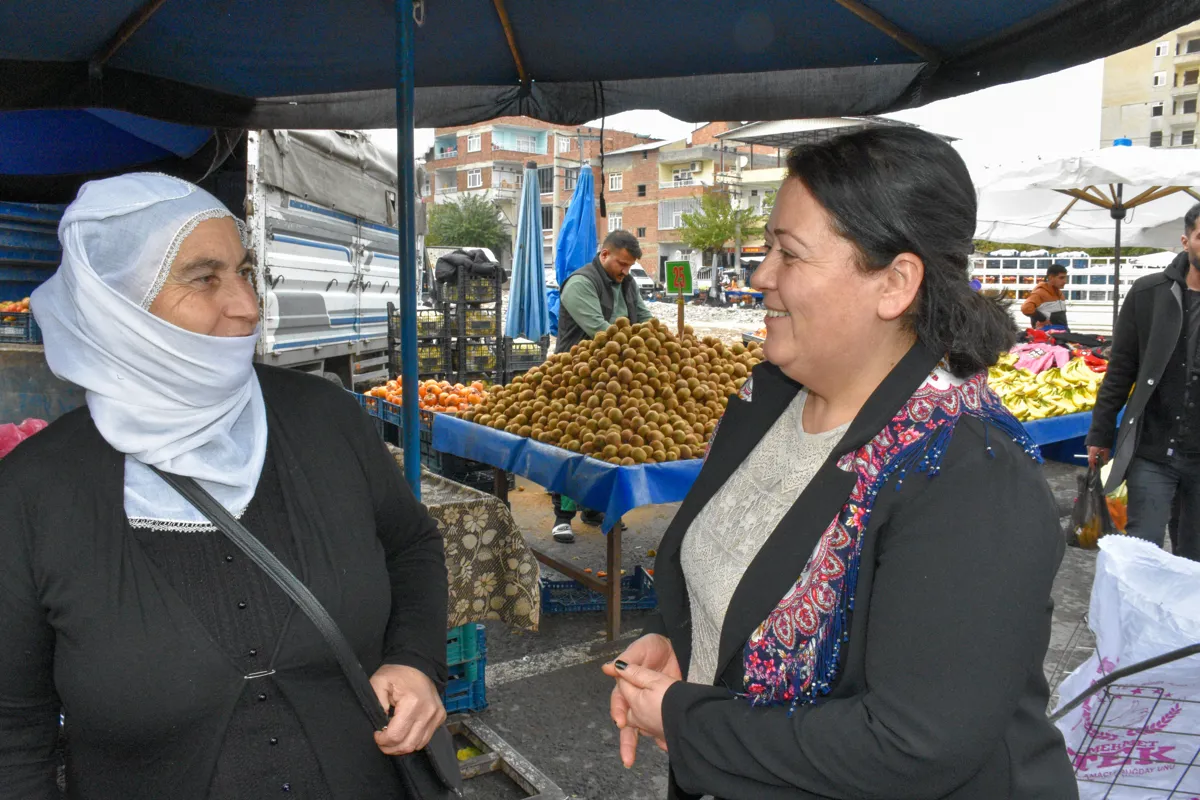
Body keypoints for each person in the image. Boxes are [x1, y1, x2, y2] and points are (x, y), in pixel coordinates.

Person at [602, 128, 1076, 799]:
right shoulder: (763, 400)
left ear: (894, 283)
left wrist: (685, 718)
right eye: (766, 248)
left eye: (788, 254)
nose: (759, 275)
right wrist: (685, 639)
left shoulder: (967, 471)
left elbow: (912, 743)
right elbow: (748, 575)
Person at [0, 174, 450, 799]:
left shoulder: (327, 418)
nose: (246, 304)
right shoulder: (31, 494)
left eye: (244, 270)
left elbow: (412, 547)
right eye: (204, 277)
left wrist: (415, 660)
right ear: (116, 303)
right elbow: (14, 730)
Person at [1086, 203, 1200, 561]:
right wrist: (1100, 434)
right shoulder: (1149, 293)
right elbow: (1121, 368)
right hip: (1153, 449)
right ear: (1186, 241)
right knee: (1141, 552)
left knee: (1193, 560)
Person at [550, 229, 653, 542]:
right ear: (604, 254)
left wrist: (660, 339)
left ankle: (595, 507)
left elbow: (644, 317)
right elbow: (600, 330)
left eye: (629, 266)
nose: (625, 270)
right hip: (577, 376)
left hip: (615, 377)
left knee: (607, 442)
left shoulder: (628, 283)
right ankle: (562, 516)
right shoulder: (581, 283)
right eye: (621, 263)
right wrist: (638, 348)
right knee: (574, 442)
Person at [1021, 263, 1070, 329]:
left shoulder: (1059, 293)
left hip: (1062, 332)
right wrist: (1042, 319)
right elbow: (1026, 308)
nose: (1065, 281)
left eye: (1065, 278)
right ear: (1050, 278)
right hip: (1047, 335)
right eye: (1061, 278)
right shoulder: (1039, 293)